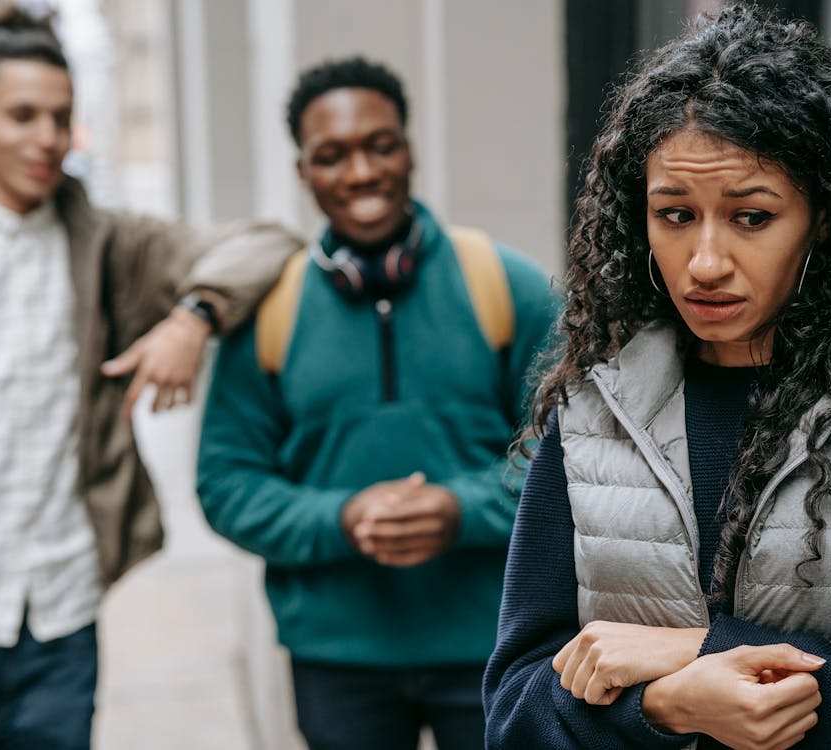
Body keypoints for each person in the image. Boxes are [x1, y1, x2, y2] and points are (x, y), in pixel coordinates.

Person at [484, 5, 831, 749]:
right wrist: (663, 708)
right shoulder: (595, 409)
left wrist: (702, 648)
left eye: (750, 217)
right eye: (675, 215)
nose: (705, 262)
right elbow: (513, 710)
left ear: (824, 218)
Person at [0, 8, 299, 750]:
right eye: (22, 116)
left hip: (60, 622)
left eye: (61, 118)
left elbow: (267, 243)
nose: (46, 138)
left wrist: (192, 319)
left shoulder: (107, 243)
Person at [196, 56, 558, 750]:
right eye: (331, 156)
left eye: (379, 145)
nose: (360, 173)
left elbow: (571, 456)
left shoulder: (506, 286)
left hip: (492, 643)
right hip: (337, 661)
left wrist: (461, 510)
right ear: (303, 172)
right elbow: (224, 482)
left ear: (410, 148)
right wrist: (341, 518)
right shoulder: (268, 312)